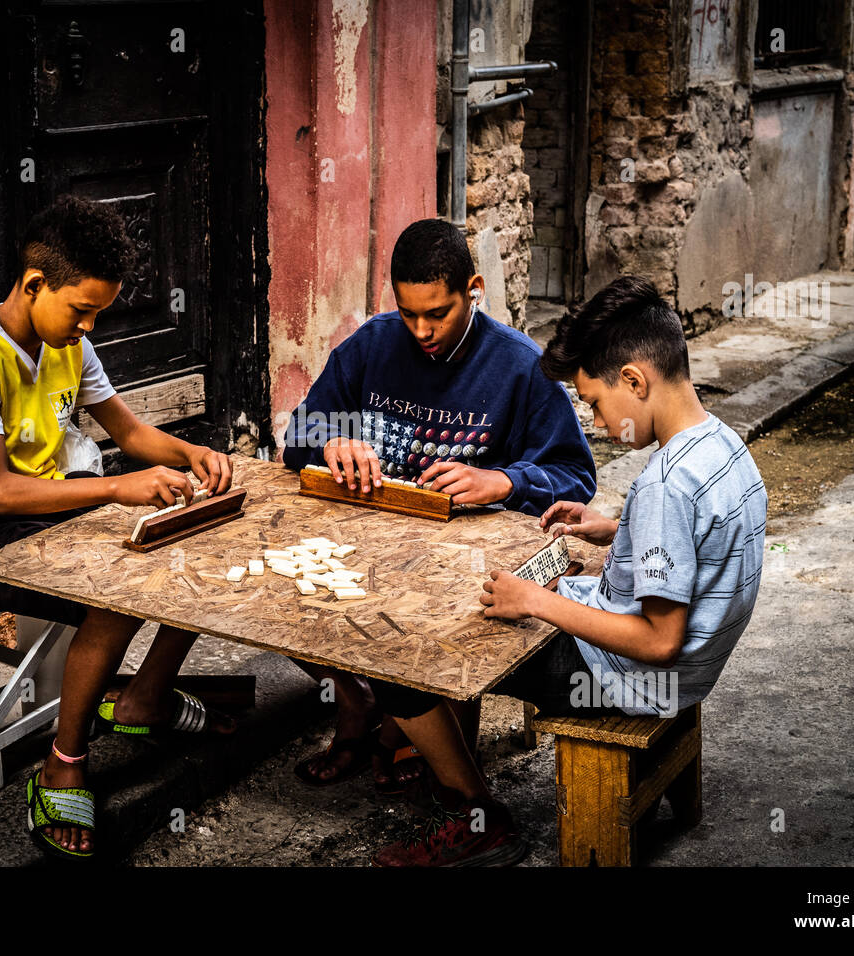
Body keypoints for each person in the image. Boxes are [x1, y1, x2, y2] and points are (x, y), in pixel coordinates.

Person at [365, 274, 768, 866]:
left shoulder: (664, 484)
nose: (598, 424)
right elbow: (703, 539)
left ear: (634, 380)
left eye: (597, 405)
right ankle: (434, 748)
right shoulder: (721, 444)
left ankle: (476, 814)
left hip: (634, 678)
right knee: (500, 587)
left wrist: (536, 603)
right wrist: (616, 527)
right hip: (693, 670)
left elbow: (659, 641)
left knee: (399, 649)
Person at [0, 195, 235, 861]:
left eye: (98, 313)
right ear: (34, 285)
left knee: (195, 544)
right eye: (80, 308)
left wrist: (191, 454)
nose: (88, 326)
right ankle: (64, 761)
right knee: (115, 593)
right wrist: (119, 487)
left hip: (45, 508)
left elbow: (130, 430)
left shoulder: (69, 345)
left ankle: (144, 699)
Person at [280, 218, 596, 795]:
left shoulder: (520, 366)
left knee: (430, 633)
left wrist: (502, 480)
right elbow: (297, 438)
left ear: (473, 288)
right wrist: (329, 440)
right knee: (277, 589)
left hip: (461, 570)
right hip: (366, 545)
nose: (421, 330)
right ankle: (359, 705)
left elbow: (576, 478)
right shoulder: (372, 346)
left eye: (438, 313)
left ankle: (418, 735)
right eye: (408, 313)